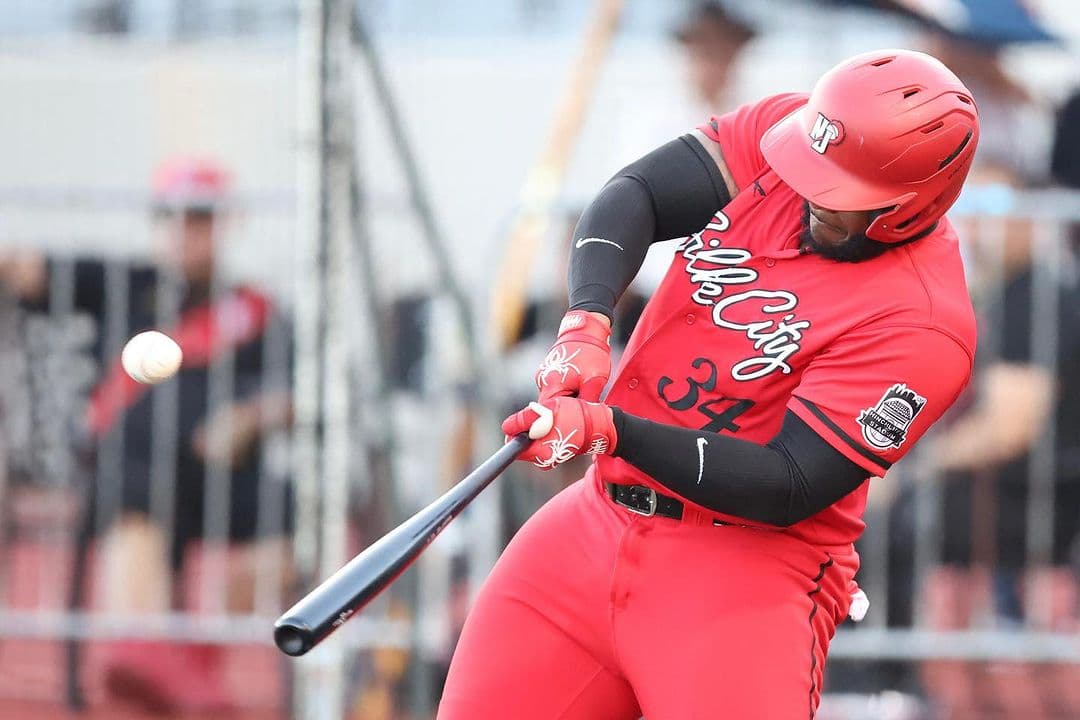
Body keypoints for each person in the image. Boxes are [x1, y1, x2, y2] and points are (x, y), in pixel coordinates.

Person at [437, 49, 980, 719]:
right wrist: (585, 324)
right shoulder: (793, 136)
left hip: (741, 575)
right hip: (592, 526)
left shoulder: (924, 324)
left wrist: (614, 430)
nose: (808, 195)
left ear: (905, 209)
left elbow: (789, 484)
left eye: (837, 195)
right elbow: (635, 193)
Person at [0, 158, 294, 714]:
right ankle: (142, 644)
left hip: (221, 476)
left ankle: (192, 660)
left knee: (299, 518)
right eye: (174, 217)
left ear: (225, 224)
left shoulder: (257, 313)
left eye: (199, 218)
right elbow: (25, 269)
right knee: (138, 443)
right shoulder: (126, 282)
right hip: (137, 471)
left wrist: (249, 418)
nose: (185, 230)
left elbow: (299, 390)